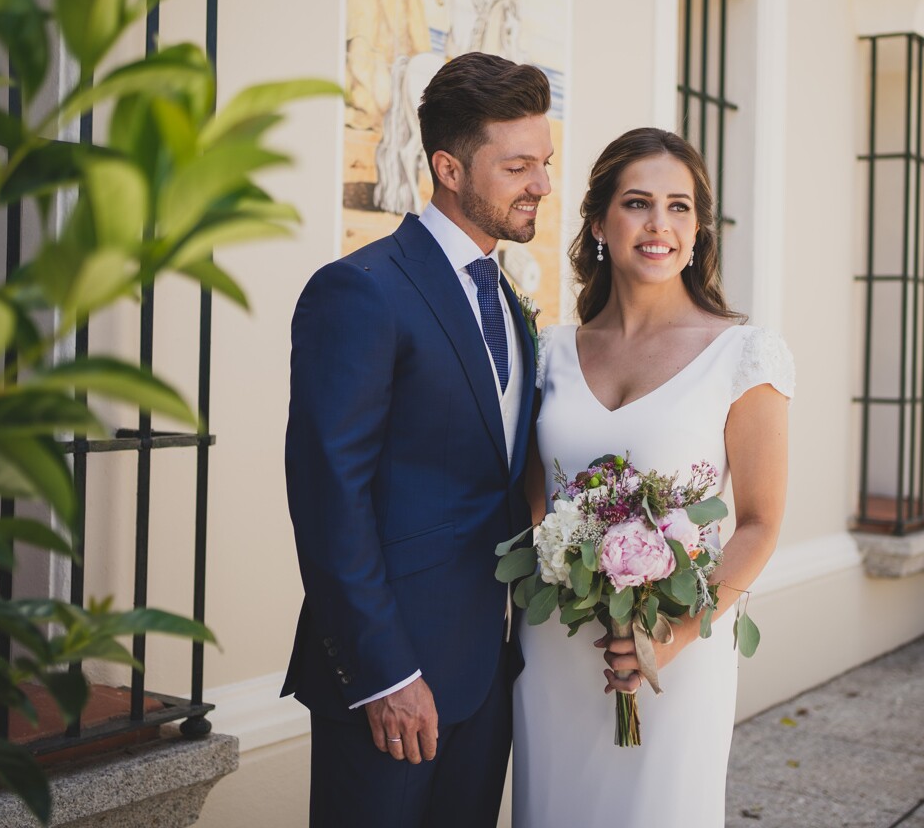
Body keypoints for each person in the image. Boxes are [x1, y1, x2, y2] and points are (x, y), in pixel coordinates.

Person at [282, 51, 553, 828]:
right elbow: (330, 496)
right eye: (519, 166)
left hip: (485, 674)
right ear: (451, 168)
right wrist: (384, 674)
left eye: (545, 162)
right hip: (391, 682)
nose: (541, 183)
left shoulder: (505, 294)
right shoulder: (362, 291)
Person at [511, 127, 792, 826]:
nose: (659, 225)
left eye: (679, 207)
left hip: (678, 648)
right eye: (637, 203)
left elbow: (759, 523)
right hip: (558, 642)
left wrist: (669, 636)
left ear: (699, 231)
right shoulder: (546, 353)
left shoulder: (744, 356)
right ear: (601, 222)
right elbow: (535, 498)